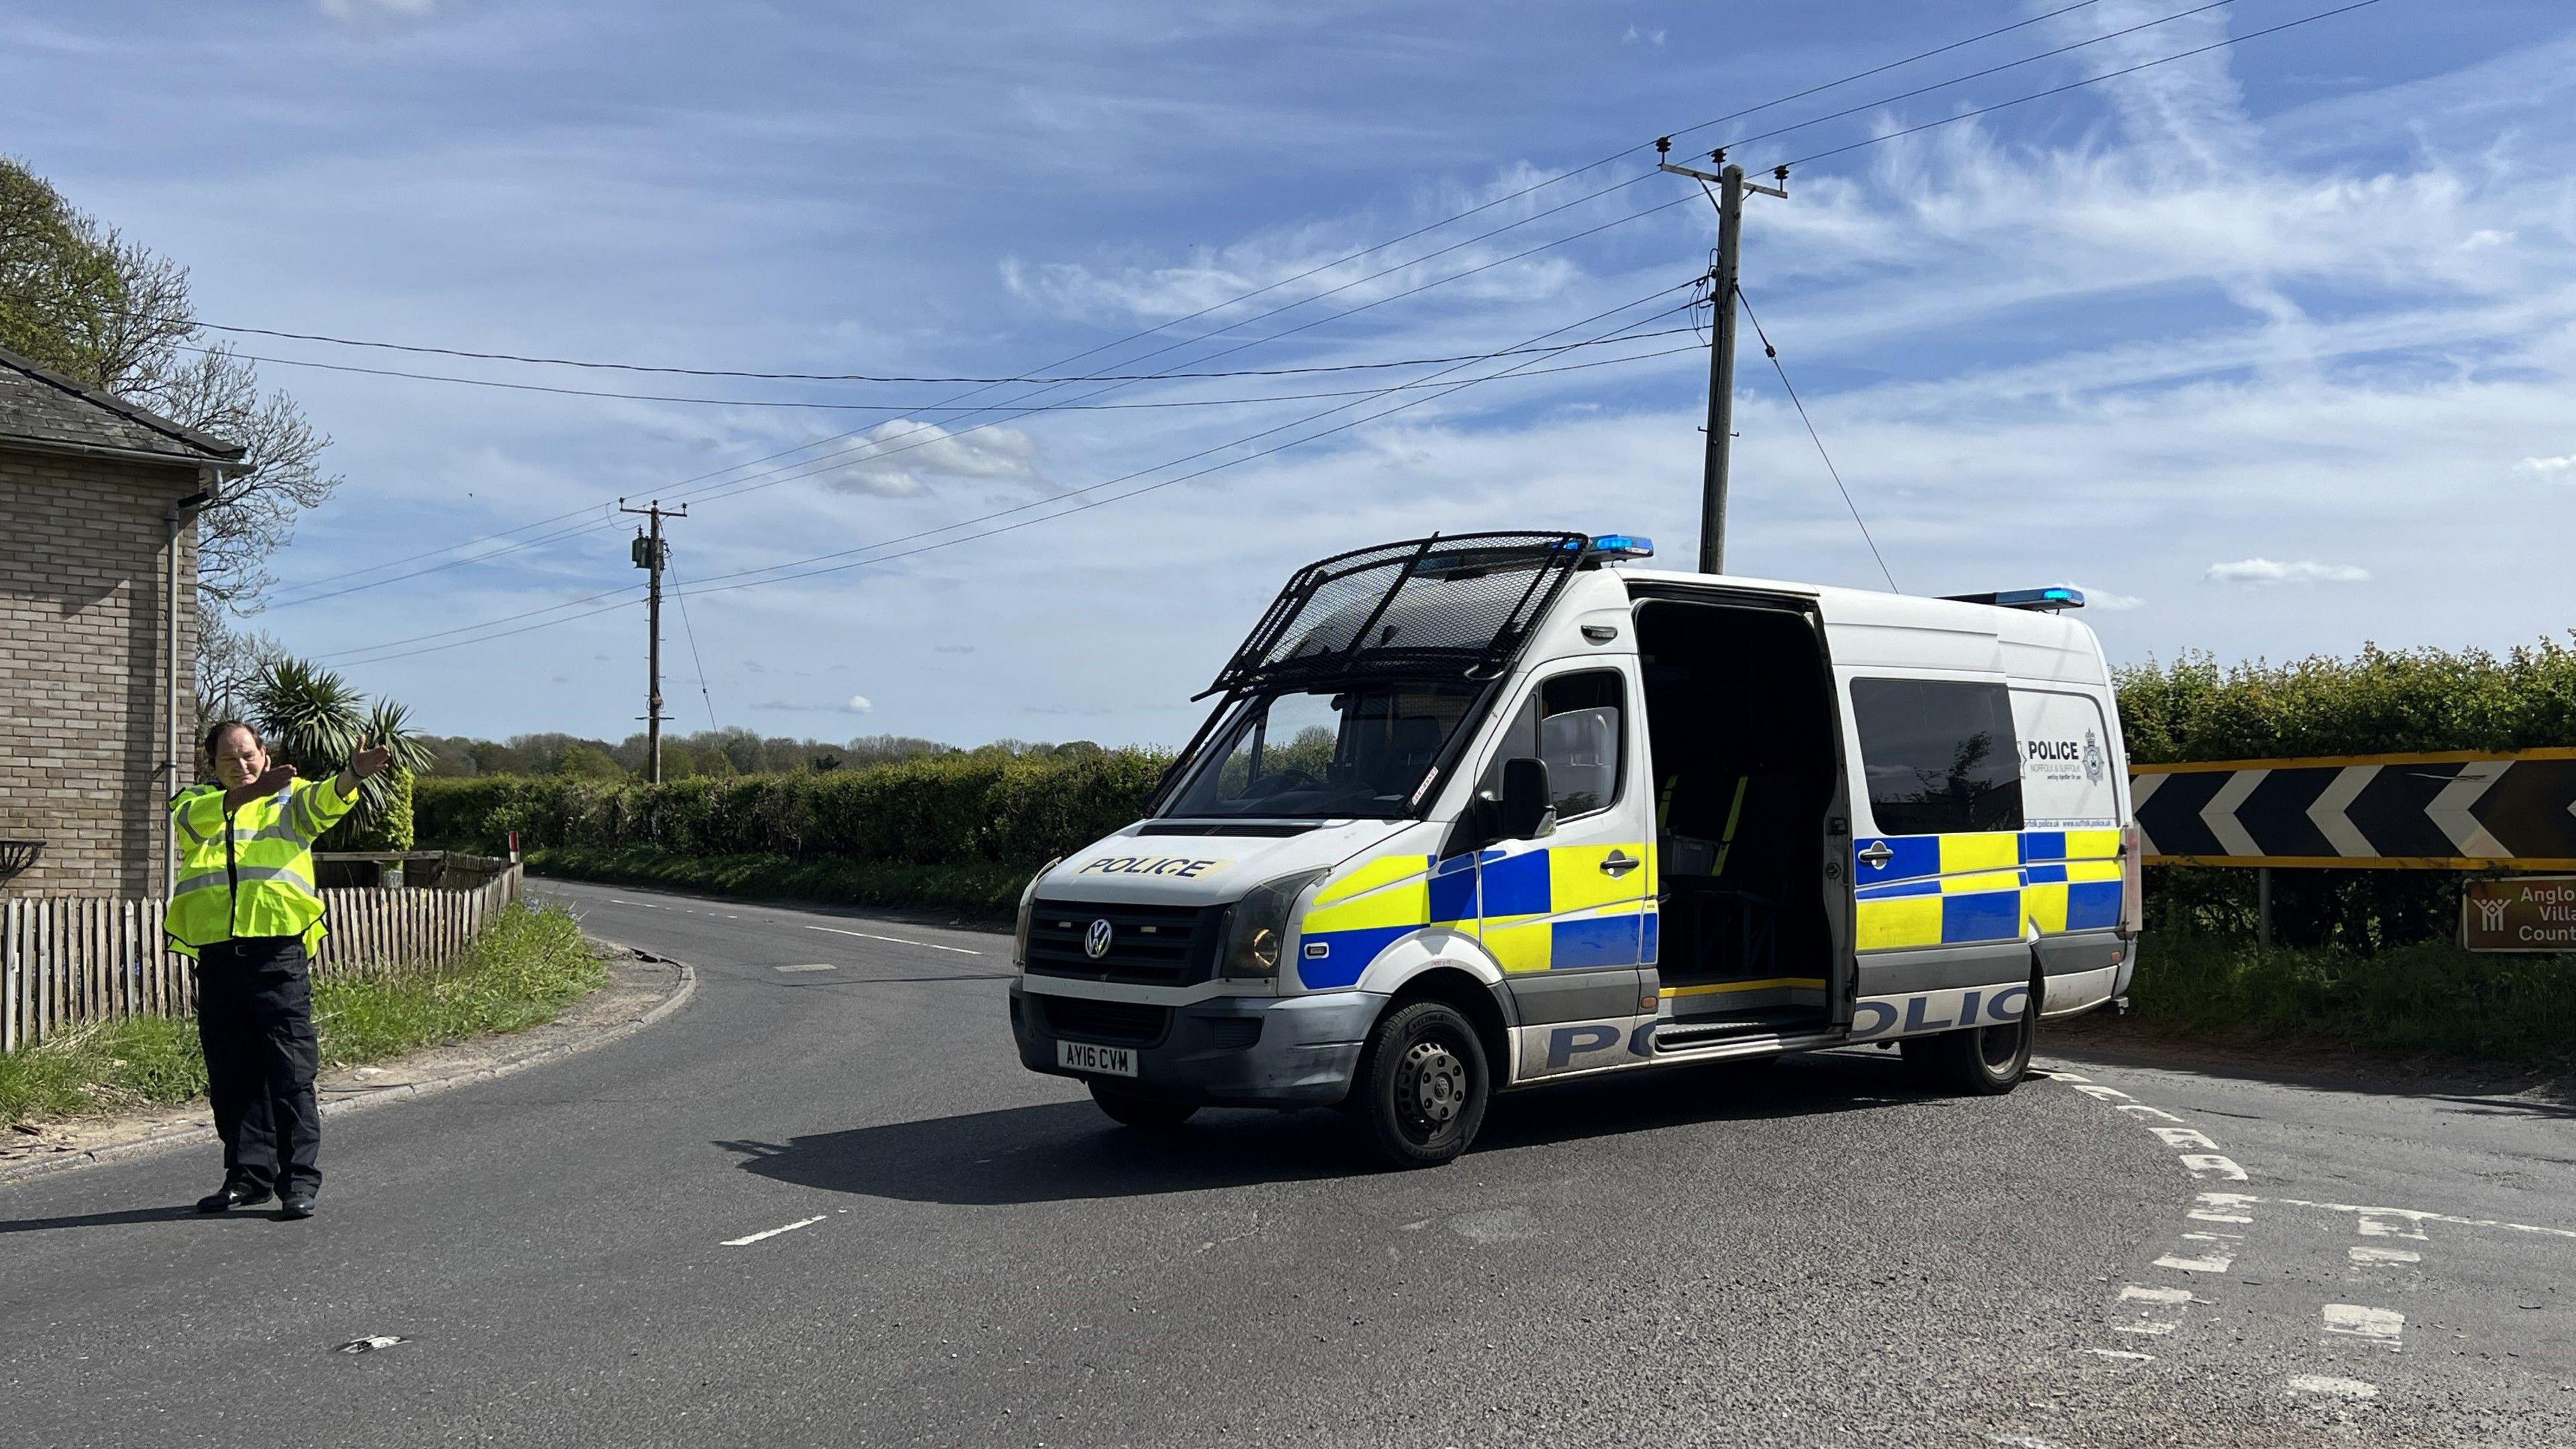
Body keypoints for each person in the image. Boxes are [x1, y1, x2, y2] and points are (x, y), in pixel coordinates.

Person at [168, 720, 391, 1220]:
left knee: (291, 1075)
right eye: (230, 761)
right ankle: (248, 1179)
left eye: (248, 755)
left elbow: (327, 802)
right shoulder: (193, 802)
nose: (242, 766)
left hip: (278, 957)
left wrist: (353, 775)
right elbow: (197, 823)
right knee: (232, 1077)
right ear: (213, 766)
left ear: (263, 754)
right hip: (220, 958)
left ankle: (298, 1183)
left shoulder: (290, 798)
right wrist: (249, 794)